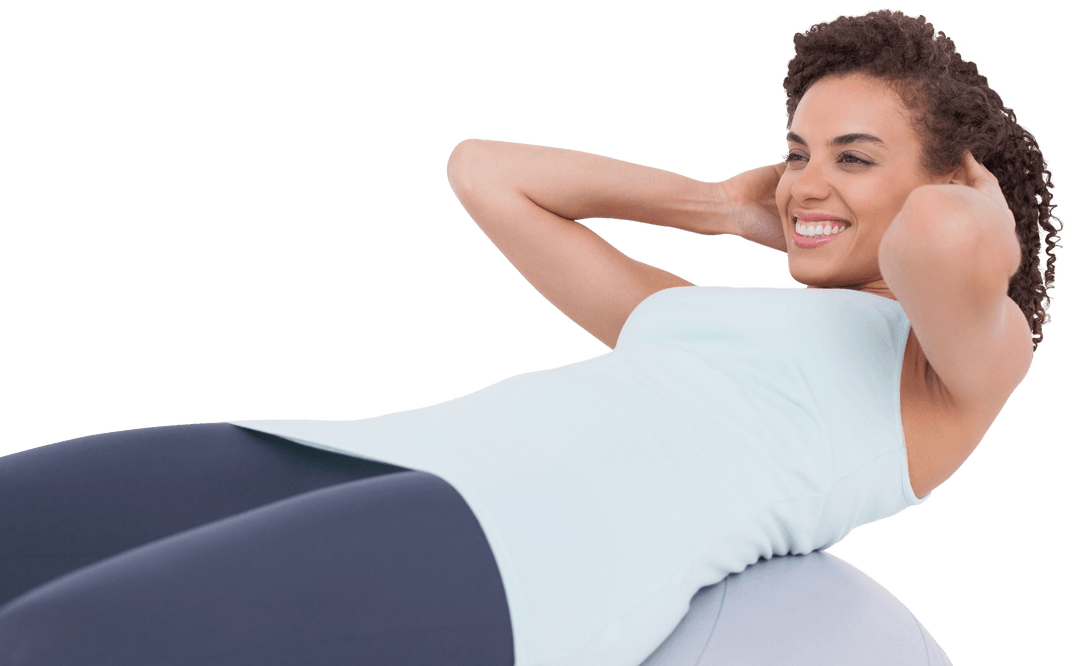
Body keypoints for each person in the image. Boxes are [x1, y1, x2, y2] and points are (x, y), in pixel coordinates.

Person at [0, 8, 1062, 666]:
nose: (806, 180)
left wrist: (965, 171)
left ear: (958, 176)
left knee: (51, 646)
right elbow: (485, 173)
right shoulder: (689, 316)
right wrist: (714, 204)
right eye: (796, 150)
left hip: (524, 550)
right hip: (396, 456)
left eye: (854, 155)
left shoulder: (954, 373)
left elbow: (940, 234)